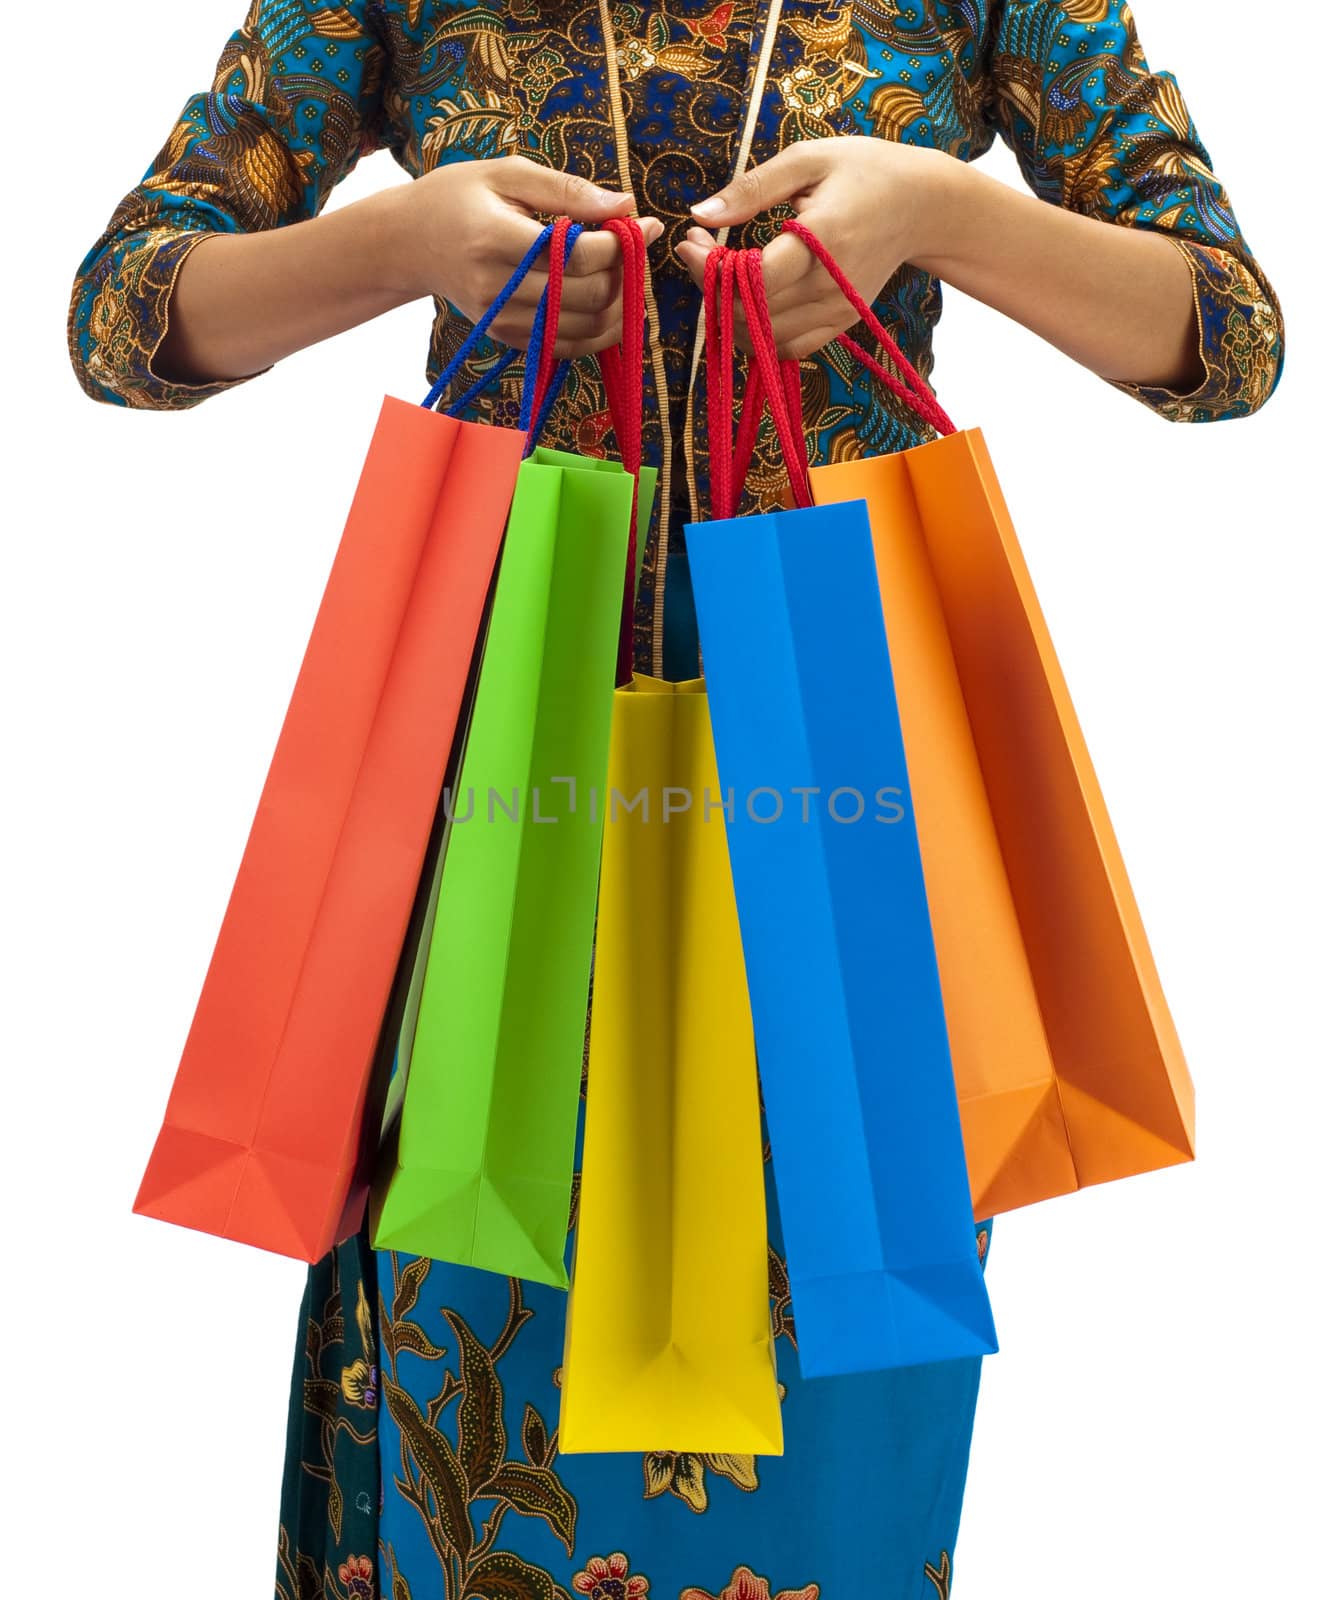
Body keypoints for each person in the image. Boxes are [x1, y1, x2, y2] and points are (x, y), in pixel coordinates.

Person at [67, 3, 1282, 1597]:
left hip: (844, 770)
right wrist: (406, 245)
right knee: (484, 1322)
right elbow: (125, 318)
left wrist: (940, 212)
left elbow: (1226, 339)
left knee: (840, 1365)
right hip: (509, 760)